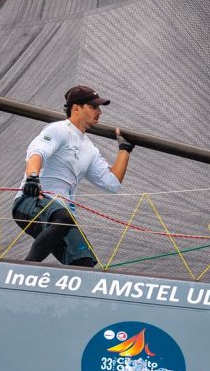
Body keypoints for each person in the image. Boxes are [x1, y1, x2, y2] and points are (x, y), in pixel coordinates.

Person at [12, 85, 134, 266]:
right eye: (94, 107)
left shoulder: (90, 149)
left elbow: (112, 182)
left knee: (85, 262)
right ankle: (24, 268)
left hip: (61, 218)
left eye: (99, 108)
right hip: (31, 200)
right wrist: (32, 178)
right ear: (76, 108)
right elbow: (37, 153)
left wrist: (124, 149)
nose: (99, 112)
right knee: (64, 219)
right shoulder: (59, 129)